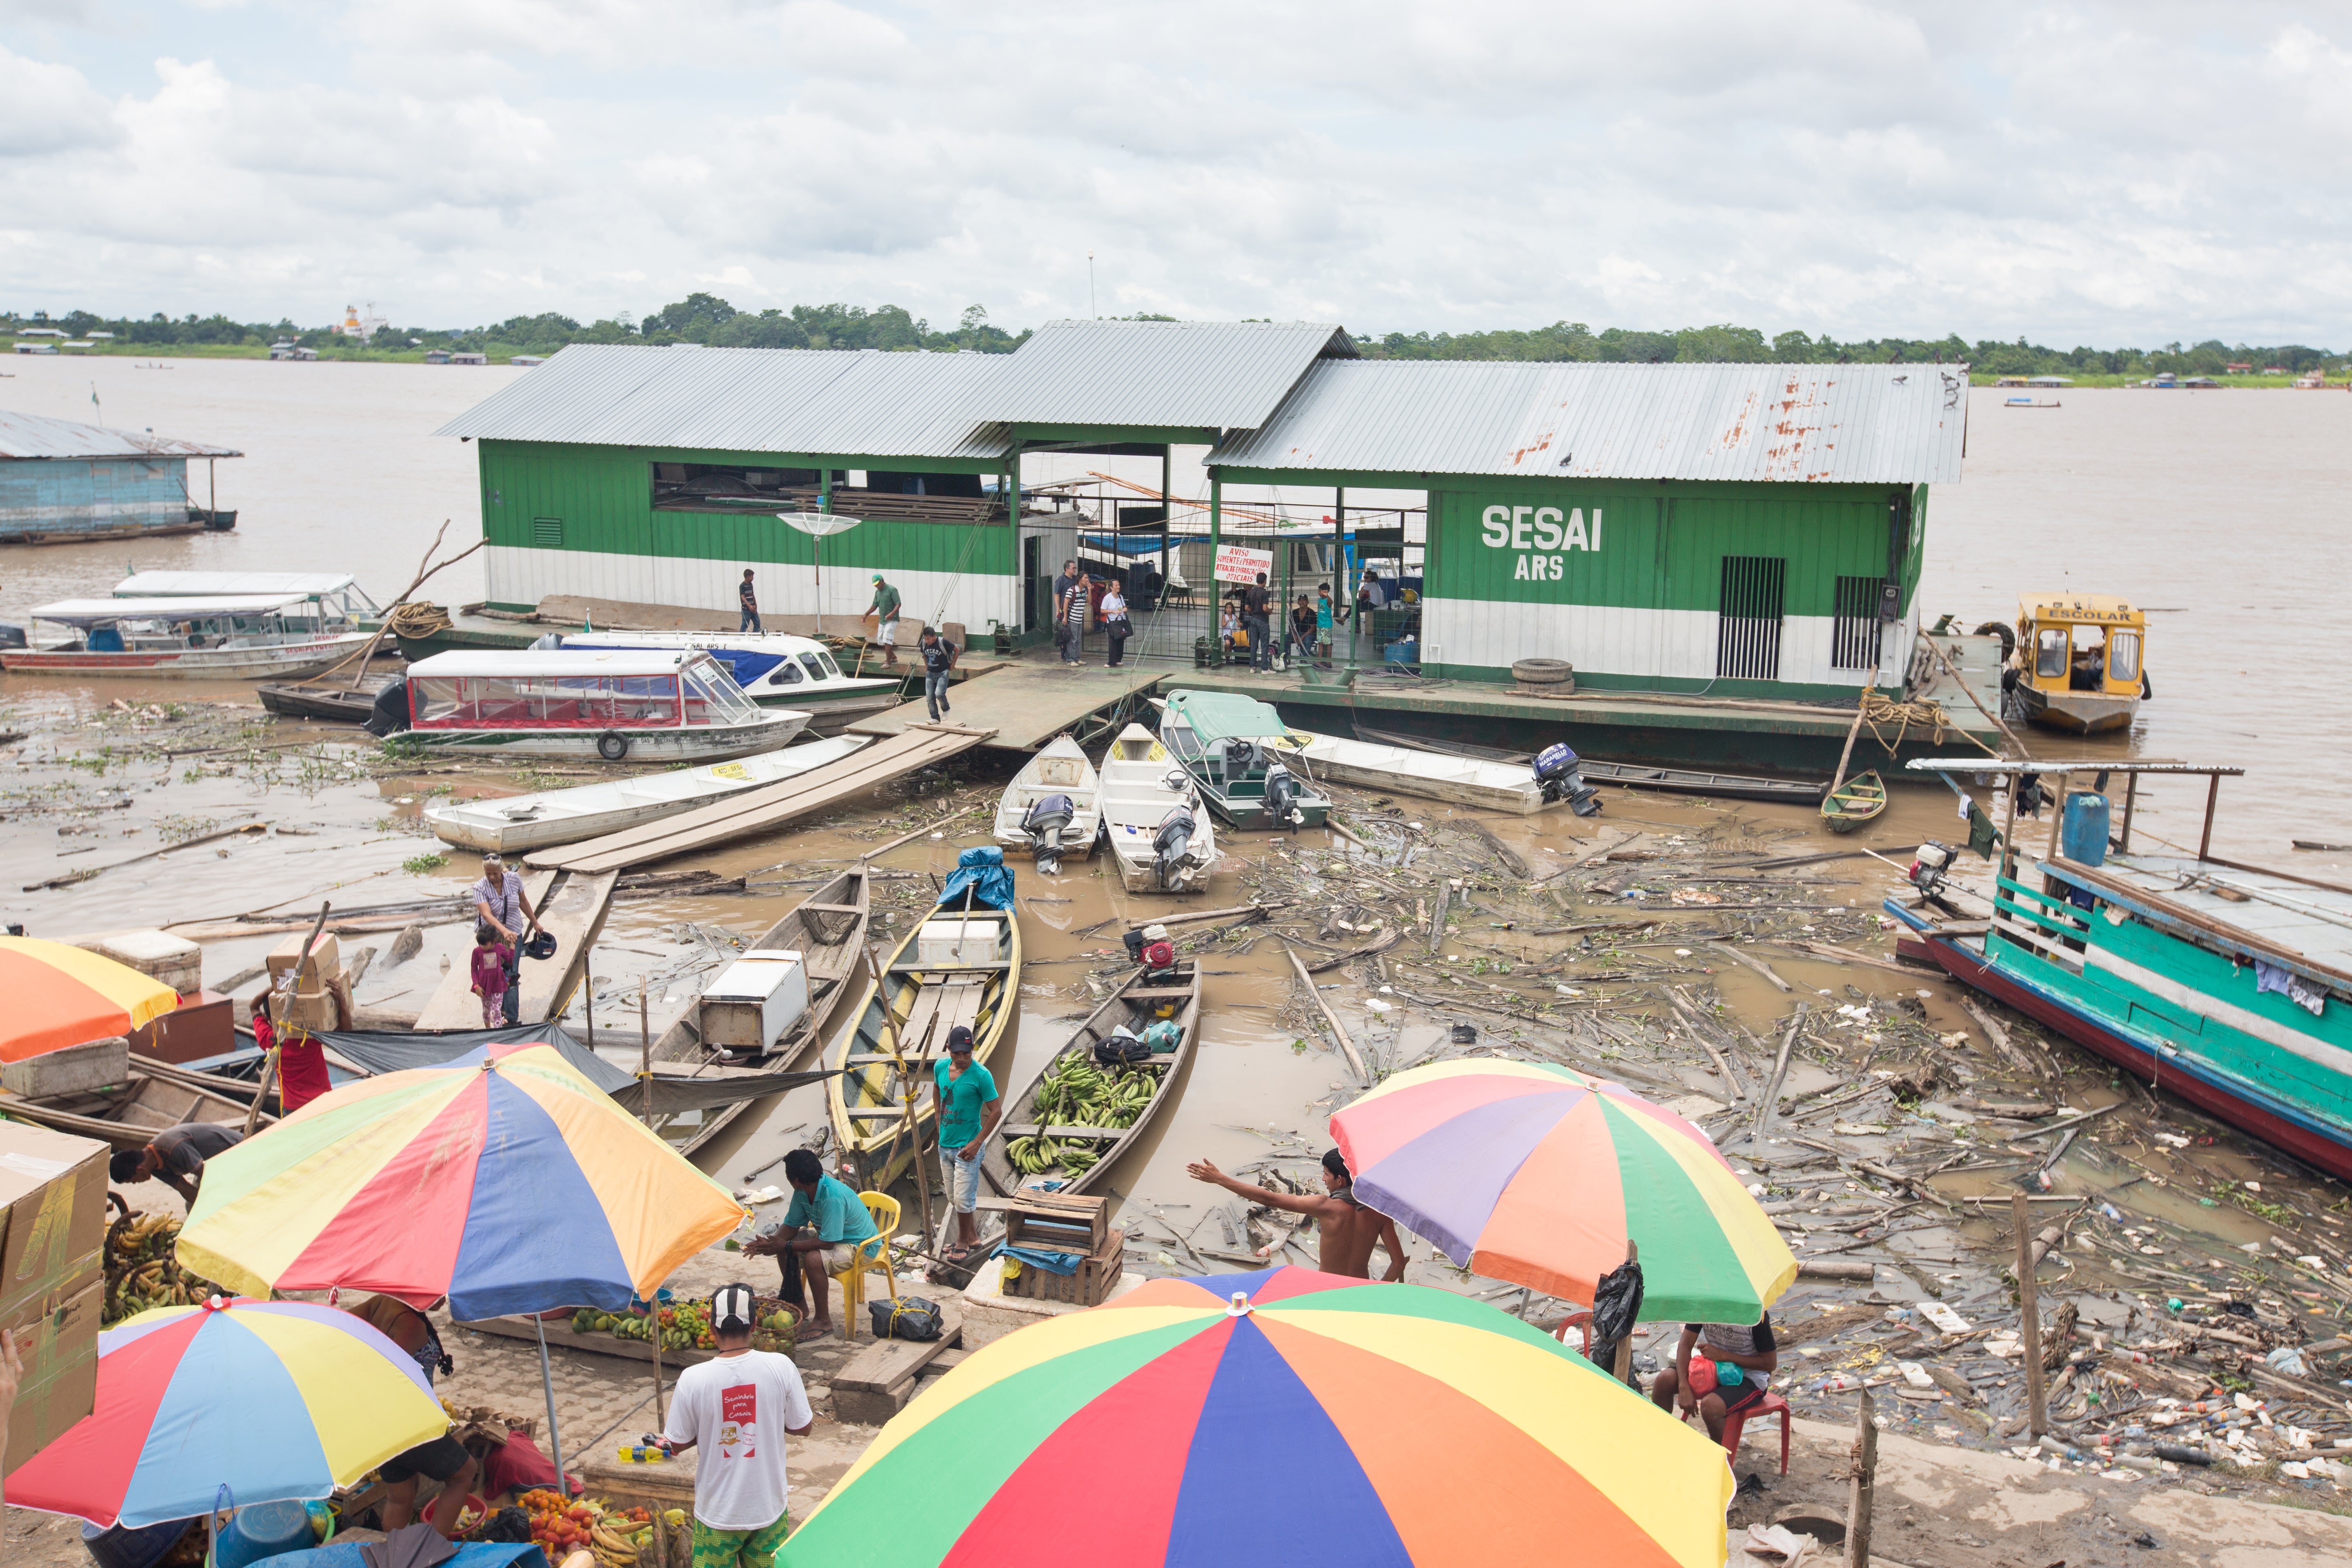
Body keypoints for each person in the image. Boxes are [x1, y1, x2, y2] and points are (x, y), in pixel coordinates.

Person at [654, 1284, 814, 1568]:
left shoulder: (693, 1379)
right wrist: (768, 1417)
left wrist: (707, 1431)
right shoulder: (781, 1366)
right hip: (769, 1509)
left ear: (712, 1328)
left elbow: (677, 1443)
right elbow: (803, 1427)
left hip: (718, 1515)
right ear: (754, 1325)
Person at [347, 1294, 477, 1537]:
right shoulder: (411, 1325)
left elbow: (341, 1322)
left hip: (379, 1424)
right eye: (440, 1292)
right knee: (464, 1474)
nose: (444, 1299)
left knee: (401, 1496)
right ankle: (432, 1551)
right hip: (408, 1422)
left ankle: (395, 1555)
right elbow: (386, 1374)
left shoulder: (381, 1303)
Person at [1186, 1149, 1405, 1281]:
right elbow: (1398, 1263)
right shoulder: (1380, 1213)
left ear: (1341, 1180)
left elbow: (1269, 1199)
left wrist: (1220, 1179)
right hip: (1362, 1292)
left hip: (1326, 1290)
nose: (1323, 1180)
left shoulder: (1326, 1206)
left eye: (1326, 1175)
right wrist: (1380, 1288)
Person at [742, 1150, 876, 1341]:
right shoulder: (802, 1192)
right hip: (832, 1237)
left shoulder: (832, 1196)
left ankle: (824, 1320)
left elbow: (828, 1244)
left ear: (794, 1180)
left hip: (859, 1245)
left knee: (813, 1259)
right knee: (784, 1247)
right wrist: (769, 1244)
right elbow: (790, 1226)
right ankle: (798, 1303)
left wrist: (786, 1246)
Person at [1650, 1314, 1780, 1444]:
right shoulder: (1707, 1305)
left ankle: (1721, 1460)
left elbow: (1770, 1363)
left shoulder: (1756, 1315)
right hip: (1714, 1369)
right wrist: (1684, 1387)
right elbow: (1685, 1344)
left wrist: (1724, 1356)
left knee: (1711, 1406)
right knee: (1665, 1380)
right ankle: (1662, 1442)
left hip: (1749, 1377)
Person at [933, 1025, 1001, 1263]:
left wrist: (977, 1143)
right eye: (956, 1054)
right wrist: (937, 1118)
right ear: (949, 1049)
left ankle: (962, 1241)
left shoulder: (982, 1075)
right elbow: (937, 1090)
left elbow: (996, 1112)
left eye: (966, 1054)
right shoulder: (940, 1067)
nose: (961, 1059)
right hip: (945, 1145)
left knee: (963, 1199)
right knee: (954, 1198)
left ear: (973, 1049)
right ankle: (971, 1236)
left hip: (967, 1149)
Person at [471, 853, 542, 1025]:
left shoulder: (514, 879)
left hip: (514, 933)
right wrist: (503, 931)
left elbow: (523, 901)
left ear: (501, 870)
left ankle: (510, 1017)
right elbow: (487, 915)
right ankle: (498, 1008)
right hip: (491, 938)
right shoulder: (480, 888)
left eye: (495, 873)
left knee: (511, 973)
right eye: (488, 874)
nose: (492, 877)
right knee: (493, 972)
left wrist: (535, 922)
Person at [109, 1121, 244, 1205]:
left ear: (140, 1170)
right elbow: (183, 1188)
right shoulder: (154, 1167)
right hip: (213, 1164)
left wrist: (221, 1204)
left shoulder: (172, 1147)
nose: (136, 1183)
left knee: (232, 1200)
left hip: (237, 1150)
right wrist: (205, 1206)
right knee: (192, 1206)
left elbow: (207, 1176)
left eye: (133, 1181)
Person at [258, 1009, 330, 1116]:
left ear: (266, 1017)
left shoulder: (269, 1039)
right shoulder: (310, 1037)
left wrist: (270, 991)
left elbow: (254, 1008)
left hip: (292, 1108)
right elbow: (345, 1031)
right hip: (323, 1100)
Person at [470, 924, 512, 1028]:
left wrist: (513, 945)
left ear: (494, 940)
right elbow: (474, 969)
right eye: (481, 944)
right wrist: (477, 986)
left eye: (485, 944)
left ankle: (497, 1033)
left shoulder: (499, 948)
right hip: (484, 986)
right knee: (486, 1010)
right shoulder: (477, 952)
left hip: (498, 984)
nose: (482, 947)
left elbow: (510, 960)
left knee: (497, 1010)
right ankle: (488, 1030)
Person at [918, 625, 957, 722]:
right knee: (930, 698)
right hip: (930, 674)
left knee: (939, 694)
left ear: (934, 636)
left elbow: (957, 650)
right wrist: (926, 667)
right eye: (925, 639)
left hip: (943, 673)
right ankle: (935, 718)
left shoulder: (943, 642)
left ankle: (946, 709)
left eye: (928, 639)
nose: (927, 641)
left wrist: (953, 665)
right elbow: (924, 655)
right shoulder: (923, 643)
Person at [1053, 560, 1087, 666]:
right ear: (1067, 569)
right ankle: (1068, 656)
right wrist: (1059, 609)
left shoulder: (1075, 580)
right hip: (1066, 610)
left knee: (1075, 637)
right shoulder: (1061, 580)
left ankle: (1074, 656)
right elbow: (1057, 595)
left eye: (1075, 568)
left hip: (1075, 609)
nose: (1075, 570)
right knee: (1068, 635)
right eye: (1073, 568)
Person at [864, 575, 902, 667]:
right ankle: (893, 657)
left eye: (878, 584)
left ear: (882, 581)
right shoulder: (878, 593)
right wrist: (866, 614)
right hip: (883, 620)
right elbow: (875, 605)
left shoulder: (891, 590)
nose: (877, 586)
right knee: (880, 641)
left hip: (892, 619)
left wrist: (892, 613)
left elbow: (898, 604)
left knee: (887, 638)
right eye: (875, 585)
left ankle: (888, 662)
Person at [1241, 572, 1272, 672]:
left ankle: (1253, 667)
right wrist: (1270, 611)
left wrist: (1253, 611)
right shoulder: (1264, 593)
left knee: (1254, 644)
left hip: (1253, 619)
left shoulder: (1251, 592)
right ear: (1265, 582)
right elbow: (1265, 608)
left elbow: (1246, 608)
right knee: (1264, 644)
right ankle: (1265, 668)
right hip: (1262, 620)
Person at [1098, 580, 1131, 668]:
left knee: (1121, 640)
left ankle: (1118, 659)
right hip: (1113, 622)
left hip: (1121, 621)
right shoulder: (1108, 598)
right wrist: (1113, 611)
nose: (1118, 587)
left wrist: (1125, 609)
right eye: (1116, 585)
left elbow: (1124, 606)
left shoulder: (1120, 597)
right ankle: (1112, 662)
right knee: (1113, 641)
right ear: (1111, 587)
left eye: (1119, 585)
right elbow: (1103, 610)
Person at [1288, 594, 1318, 666]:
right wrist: (1295, 635)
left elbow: (1313, 628)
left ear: (1308, 602)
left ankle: (1304, 661)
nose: (1302, 602)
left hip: (1309, 634)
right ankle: (1284, 659)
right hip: (1297, 633)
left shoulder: (1311, 613)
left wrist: (1302, 637)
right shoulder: (1295, 612)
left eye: (1304, 600)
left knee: (1307, 640)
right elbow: (1291, 625)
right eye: (1300, 600)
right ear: (1298, 602)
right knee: (1286, 638)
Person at [1315, 584, 1336, 665]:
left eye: (1321, 591)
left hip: (1327, 625)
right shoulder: (1320, 600)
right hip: (1320, 624)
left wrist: (1327, 596)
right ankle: (1320, 661)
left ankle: (1328, 661)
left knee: (1328, 643)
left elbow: (1331, 602)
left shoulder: (1328, 600)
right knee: (1320, 643)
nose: (1320, 593)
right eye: (1319, 591)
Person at [737, 569, 762, 634]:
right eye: (752, 576)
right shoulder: (742, 586)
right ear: (748, 577)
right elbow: (743, 597)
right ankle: (742, 635)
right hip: (746, 609)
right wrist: (749, 606)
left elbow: (752, 595)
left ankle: (755, 635)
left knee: (757, 622)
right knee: (745, 624)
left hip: (753, 608)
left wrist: (755, 605)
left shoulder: (751, 585)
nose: (753, 578)